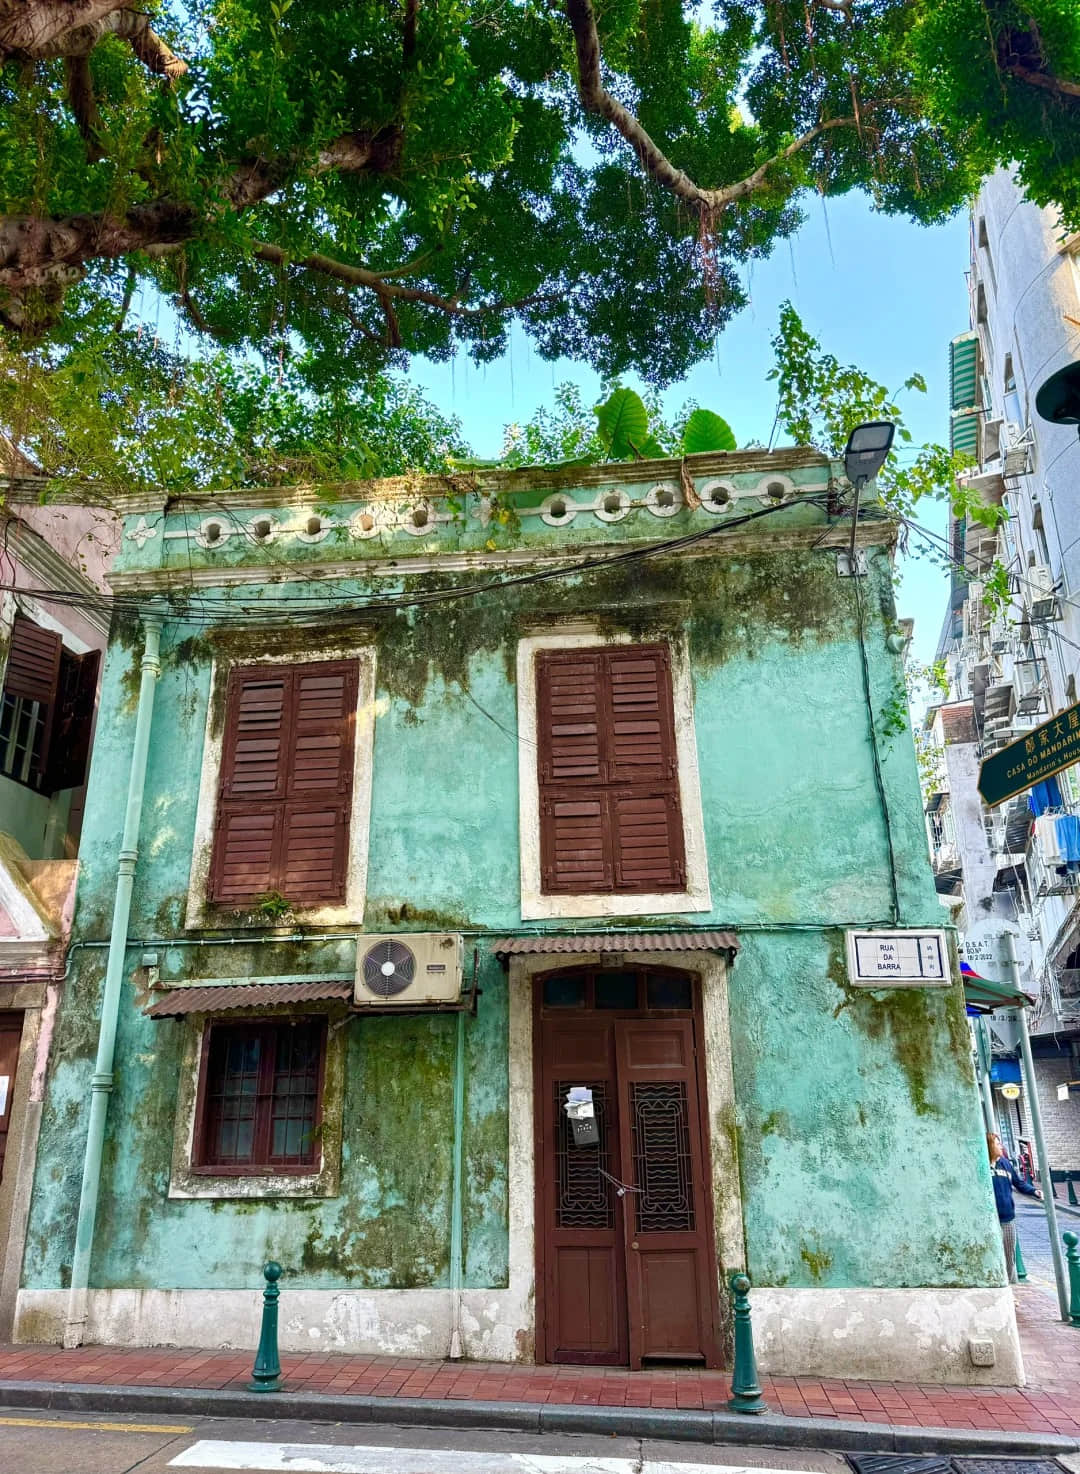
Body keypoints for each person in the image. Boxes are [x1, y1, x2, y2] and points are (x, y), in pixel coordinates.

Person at [988, 1132, 1040, 1284]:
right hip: (991, 1219)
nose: (1001, 1146)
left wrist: (1034, 1191)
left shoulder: (1005, 1164)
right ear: (990, 1146)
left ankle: (1010, 1289)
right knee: (993, 1255)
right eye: (997, 1144)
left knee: (1009, 1256)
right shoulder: (983, 1165)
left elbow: (1018, 1183)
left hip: (1007, 1218)